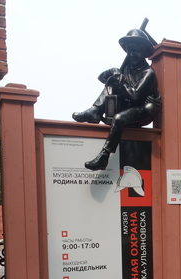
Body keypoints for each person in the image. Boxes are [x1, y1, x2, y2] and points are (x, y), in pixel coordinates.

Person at [72, 27, 161, 171]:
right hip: (130, 104)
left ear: (144, 52)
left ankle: (104, 156)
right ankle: (95, 110)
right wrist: (114, 72)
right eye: (129, 50)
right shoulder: (127, 69)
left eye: (135, 50)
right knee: (111, 86)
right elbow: (102, 78)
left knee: (119, 118)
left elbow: (135, 94)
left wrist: (120, 82)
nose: (131, 54)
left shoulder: (148, 73)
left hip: (144, 109)